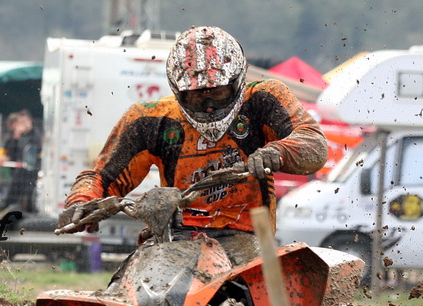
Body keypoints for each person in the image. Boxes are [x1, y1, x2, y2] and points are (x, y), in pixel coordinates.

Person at [58, 26, 327, 266]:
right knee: (129, 287)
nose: (209, 106)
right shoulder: (149, 119)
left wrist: (277, 152)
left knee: (269, 294)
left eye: (218, 93)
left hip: (247, 234)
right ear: (178, 91)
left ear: (237, 83)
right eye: (197, 96)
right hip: (173, 236)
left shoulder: (262, 98)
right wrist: (82, 202)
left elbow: (314, 143)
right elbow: (103, 177)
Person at [4, 109, 41, 212]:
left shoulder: (35, 134)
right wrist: (16, 137)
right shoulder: (20, 135)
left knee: (29, 196)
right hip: (19, 170)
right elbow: (11, 151)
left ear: (30, 121)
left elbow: (35, 149)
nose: (22, 124)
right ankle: (9, 211)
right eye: (20, 122)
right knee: (13, 194)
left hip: (31, 171)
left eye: (24, 121)